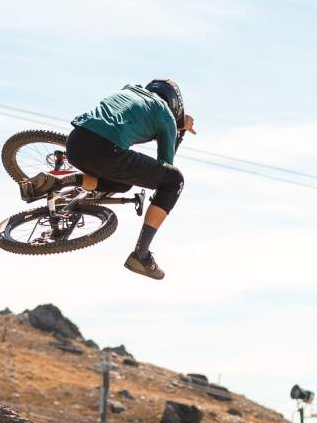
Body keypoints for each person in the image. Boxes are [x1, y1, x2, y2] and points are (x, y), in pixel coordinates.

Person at [18, 80, 196, 280]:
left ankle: (58, 181)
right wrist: (177, 130)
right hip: (107, 151)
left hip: (75, 142)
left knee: (122, 183)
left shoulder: (131, 89)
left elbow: (130, 119)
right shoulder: (167, 117)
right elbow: (165, 168)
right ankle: (141, 255)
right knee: (174, 180)